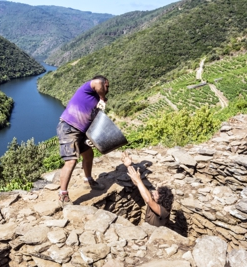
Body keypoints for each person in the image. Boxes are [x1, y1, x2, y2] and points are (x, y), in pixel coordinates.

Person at [57, 75, 109, 206]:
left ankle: (88, 180)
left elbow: (93, 119)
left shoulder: (95, 99)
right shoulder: (89, 88)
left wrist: (91, 136)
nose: (107, 88)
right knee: (71, 161)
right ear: (104, 83)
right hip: (69, 127)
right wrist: (102, 98)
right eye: (107, 85)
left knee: (88, 155)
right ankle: (62, 194)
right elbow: (97, 82)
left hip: (81, 132)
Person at [121, 152, 174, 227]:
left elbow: (148, 200)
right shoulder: (153, 198)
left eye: (156, 194)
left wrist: (139, 180)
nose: (153, 193)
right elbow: (138, 184)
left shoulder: (164, 212)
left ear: (160, 200)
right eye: (156, 191)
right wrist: (128, 166)